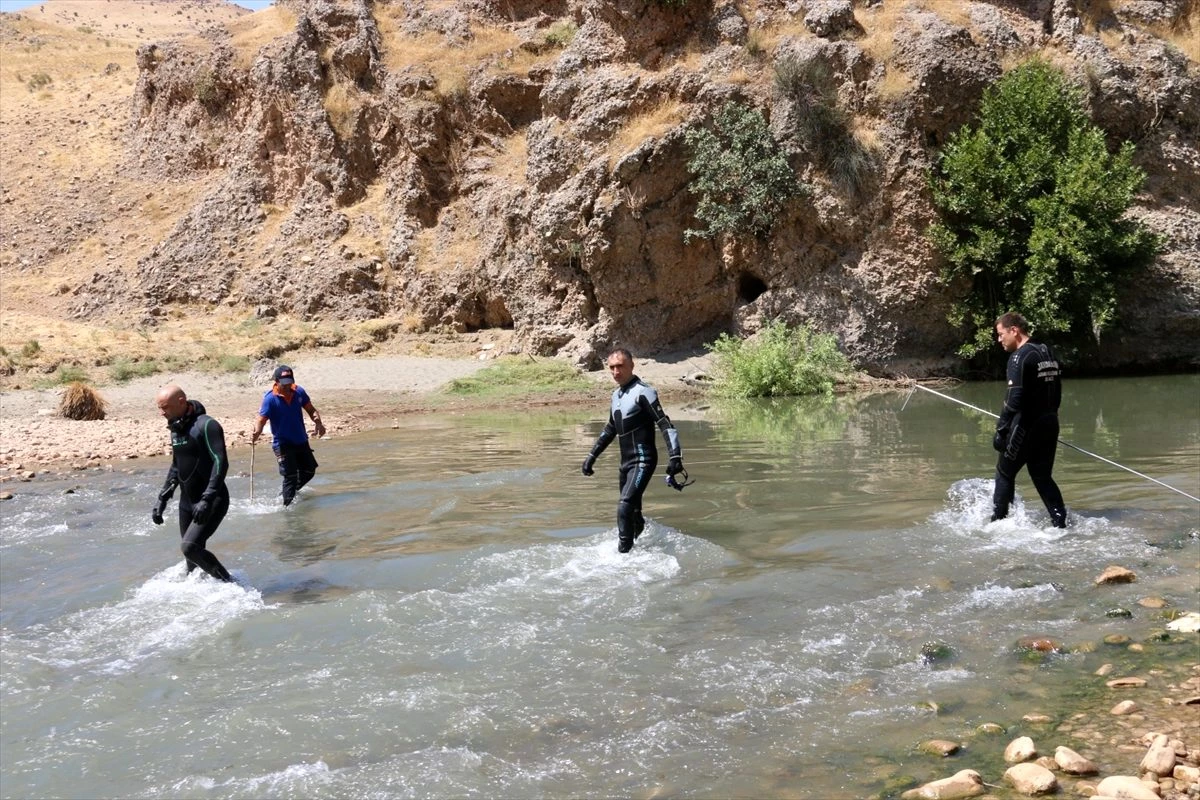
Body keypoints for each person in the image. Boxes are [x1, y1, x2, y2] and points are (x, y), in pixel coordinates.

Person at [582, 348, 685, 553]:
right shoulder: (616, 395)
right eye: (611, 367)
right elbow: (611, 428)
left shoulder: (643, 392)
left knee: (624, 505)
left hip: (643, 460)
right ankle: (641, 547)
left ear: (631, 365)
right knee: (633, 513)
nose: (615, 371)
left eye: (620, 366)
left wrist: (675, 457)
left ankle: (622, 555)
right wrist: (591, 457)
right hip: (626, 464)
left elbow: (665, 424)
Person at [991, 312, 1068, 528]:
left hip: (1026, 425)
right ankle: (1060, 524)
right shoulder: (1047, 352)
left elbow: (1013, 399)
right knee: (1042, 477)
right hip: (1049, 423)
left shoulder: (1019, 357)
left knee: (1004, 473)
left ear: (1014, 330)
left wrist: (1001, 430)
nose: (999, 340)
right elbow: (1057, 391)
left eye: (1000, 334)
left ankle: (998, 526)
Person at [151, 384, 234, 582]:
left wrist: (207, 498)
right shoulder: (176, 427)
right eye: (160, 408)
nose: (162, 413)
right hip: (186, 503)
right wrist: (162, 498)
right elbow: (176, 466)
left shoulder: (207, 425)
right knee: (192, 562)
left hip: (212, 500)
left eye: (165, 407)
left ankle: (231, 585)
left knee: (189, 547)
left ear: (181, 402)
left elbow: (220, 462)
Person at [250, 364, 325, 506]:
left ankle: (286, 494)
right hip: (283, 444)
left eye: (289, 383)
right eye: (284, 384)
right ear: (276, 382)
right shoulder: (270, 399)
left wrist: (318, 423)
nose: (287, 387)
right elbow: (261, 419)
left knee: (309, 471)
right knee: (290, 476)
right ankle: (286, 507)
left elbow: (311, 409)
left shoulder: (298, 392)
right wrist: (256, 433)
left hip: (301, 440)